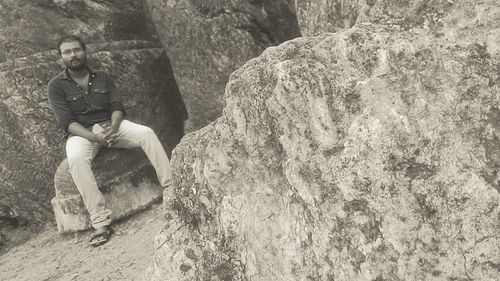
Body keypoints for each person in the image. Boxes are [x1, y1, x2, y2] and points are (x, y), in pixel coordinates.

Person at [47, 35, 172, 246]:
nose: (73, 55)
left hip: (110, 125)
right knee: (76, 159)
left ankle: (172, 188)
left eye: (76, 50)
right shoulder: (56, 86)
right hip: (81, 133)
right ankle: (101, 223)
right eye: (67, 52)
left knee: (146, 133)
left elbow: (116, 107)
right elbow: (67, 122)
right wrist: (94, 137)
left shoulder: (102, 76)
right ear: (61, 57)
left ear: (84, 51)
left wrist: (113, 130)